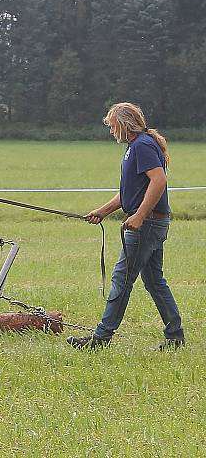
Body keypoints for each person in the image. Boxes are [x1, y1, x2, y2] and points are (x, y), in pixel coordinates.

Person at [67, 102, 185, 350]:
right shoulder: (136, 147)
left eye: (112, 126)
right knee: (154, 281)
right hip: (153, 222)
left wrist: (140, 215)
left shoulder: (142, 146)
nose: (110, 131)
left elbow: (159, 181)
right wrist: (102, 211)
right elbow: (128, 193)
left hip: (147, 225)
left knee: (122, 279)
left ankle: (101, 338)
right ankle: (175, 336)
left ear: (123, 124)